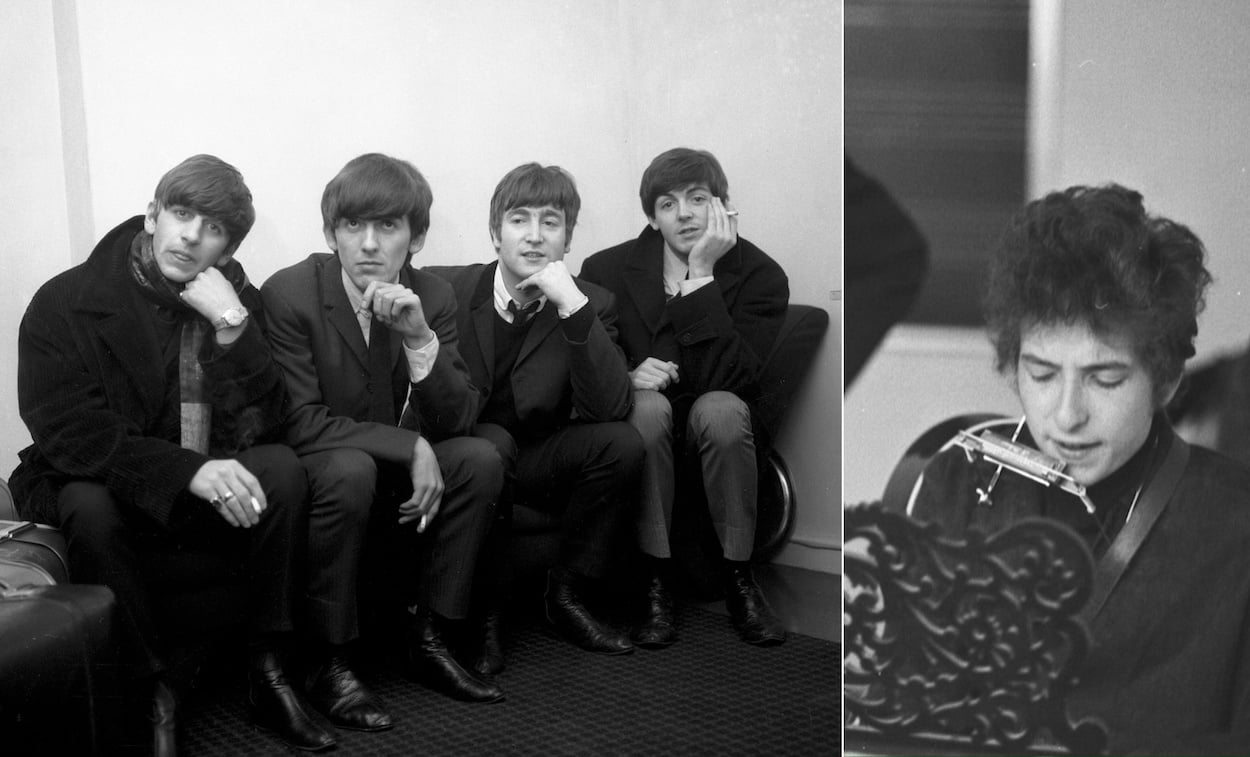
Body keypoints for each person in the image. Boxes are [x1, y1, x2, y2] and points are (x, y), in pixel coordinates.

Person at [9, 155, 336, 754]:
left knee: (283, 471)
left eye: (212, 228)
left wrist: (233, 326)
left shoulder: (237, 299)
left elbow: (270, 422)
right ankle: (151, 688)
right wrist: (189, 472)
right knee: (85, 501)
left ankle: (269, 668)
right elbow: (70, 431)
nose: (191, 236)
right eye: (182, 214)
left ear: (227, 246)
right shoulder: (65, 300)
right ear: (154, 214)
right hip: (113, 482)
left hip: (203, 487)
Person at [908, 184, 1250, 754]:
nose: (1066, 415)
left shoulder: (1236, 522)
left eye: (1105, 379)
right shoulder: (959, 481)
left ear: (1164, 382)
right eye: (1041, 375)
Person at [260, 154, 506, 707]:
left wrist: (420, 340)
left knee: (480, 456)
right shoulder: (290, 294)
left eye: (388, 226)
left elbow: (458, 418)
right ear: (331, 233)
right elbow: (298, 421)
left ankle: (431, 637)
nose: (369, 244)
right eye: (353, 226)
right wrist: (410, 445)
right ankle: (331, 660)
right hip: (326, 465)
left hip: (392, 471)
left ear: (415, 238)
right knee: (351, 468)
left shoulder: (436, 297)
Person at [426, 162, 644, 660]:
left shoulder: (592, 302)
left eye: (550, 222)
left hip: (537, 458)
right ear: (494, 233)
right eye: (519, 220)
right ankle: (487, 613)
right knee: (492, 444)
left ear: (567, 239)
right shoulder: (447, 290)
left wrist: (571, 304)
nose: (534, 236)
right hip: (468, 452)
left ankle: (566, 596)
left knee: (622, 443)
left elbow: (611, 407)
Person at [580, 147, 788, 647]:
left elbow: (733, 379)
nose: (686, 213)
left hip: (720, 418)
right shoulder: (605, 269)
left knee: (719, 408)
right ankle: (656, 582)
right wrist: (627, 374)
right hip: (647, 421)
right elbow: (593, 360)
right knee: (648, 407)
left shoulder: (761, 275)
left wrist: (701, 279)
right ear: (653, 217)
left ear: (721, 207)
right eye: (669, 204)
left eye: (698, 199)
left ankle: (740, 580)